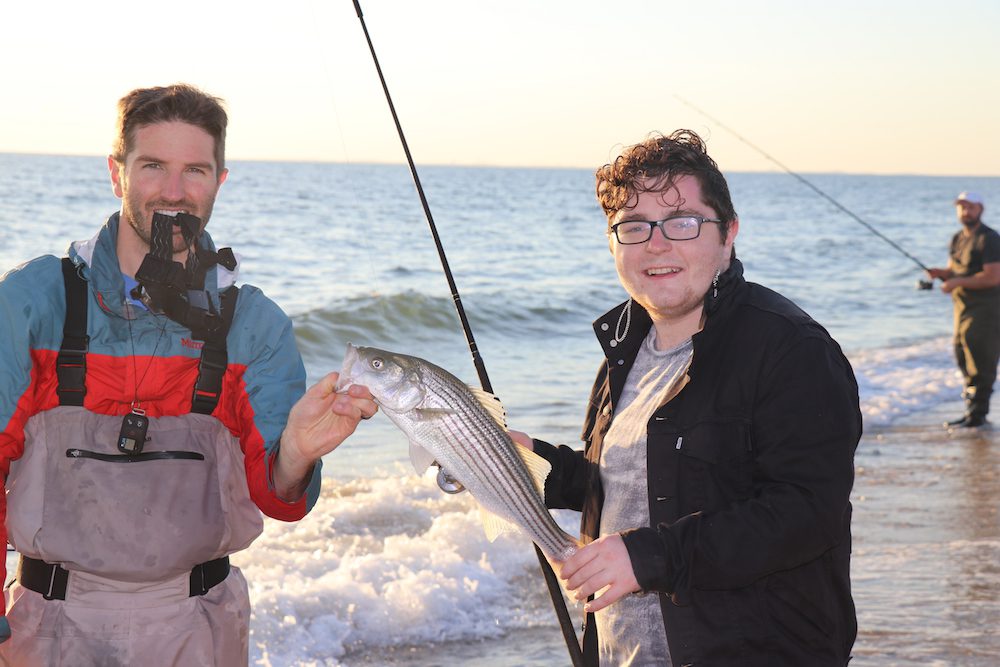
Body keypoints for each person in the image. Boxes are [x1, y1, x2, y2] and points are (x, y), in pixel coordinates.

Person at [0, 84, 377, 666]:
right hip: (50, 623)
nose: (174, 192)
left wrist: (297, 456)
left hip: (200, 626)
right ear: (116, 172)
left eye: (195, 170)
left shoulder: (254, 323)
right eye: (153, 166)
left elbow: (279, 500)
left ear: (220, 180)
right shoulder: (32, 301)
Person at [510, 130, 861, 666]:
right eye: (633, 226)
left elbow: (806, 514)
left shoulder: (792, 350)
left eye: (682, 222)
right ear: (612, 243)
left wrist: (648, 557)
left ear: (728, 234)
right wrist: (530, 463)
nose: (656, 243)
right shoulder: (624, 352)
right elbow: (631, 487)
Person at [925, 191, 1000, 428]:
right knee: (961, 355)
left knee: (981, 359)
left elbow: (992, 277)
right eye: (962, 207)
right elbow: (955, 270)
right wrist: (943, 274)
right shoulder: (958, 238)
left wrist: (956, 282)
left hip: (986, 310)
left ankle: (978, 415)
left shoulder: (989, 239)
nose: (966, 212)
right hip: (962, 309)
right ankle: (970, 410)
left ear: (981, 209)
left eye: (970, 207)